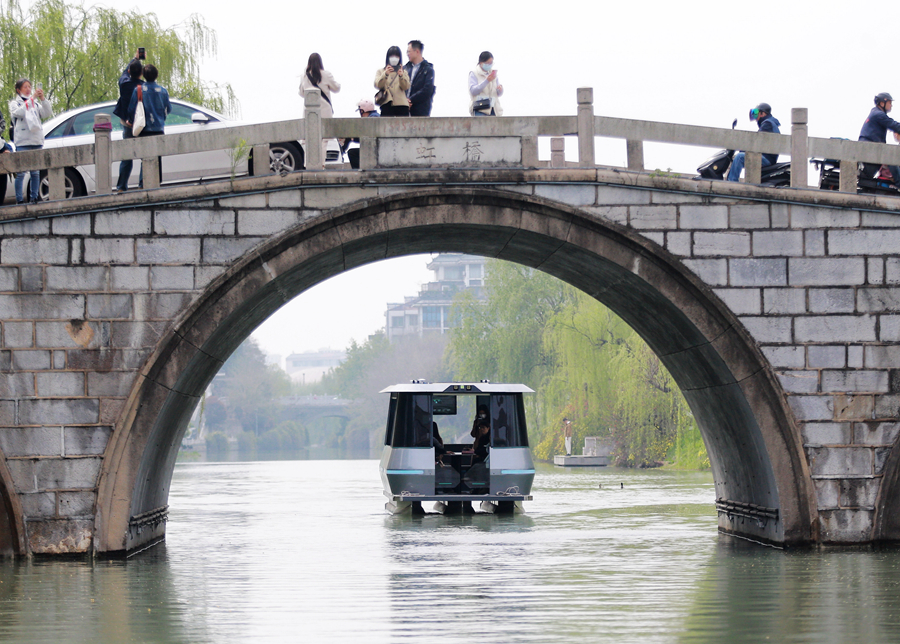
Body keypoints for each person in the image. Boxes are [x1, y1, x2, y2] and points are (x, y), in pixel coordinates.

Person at [8, 78, 53, 204]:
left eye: (30, 87)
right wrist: (32, 98)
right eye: (25, 87)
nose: (28, 89)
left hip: (36, 139)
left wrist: (43, 99)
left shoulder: (36, 104)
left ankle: (34, 197)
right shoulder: (14, 104)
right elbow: (19, 113)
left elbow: (47, 113)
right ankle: (19, 199)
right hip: (22, 141)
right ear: (18, 90)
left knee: (35, 172)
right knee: (21, 172)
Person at [127, 64, 170, 188]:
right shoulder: (163, 91)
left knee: (145, 157)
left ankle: (143, 183)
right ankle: (157, 182)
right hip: (158, 128)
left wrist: (131, 121)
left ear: (144, 76)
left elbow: (131, 109)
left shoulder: (139, 90)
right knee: (157, 156)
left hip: (144, 128)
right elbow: (169, 108)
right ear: (156, 75)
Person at [726, 103, 780, 182]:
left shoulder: (767, 124)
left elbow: (757, 142)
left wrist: (743, 149)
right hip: (767, 156)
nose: (755, 117)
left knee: (740, 157)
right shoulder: (769, 123)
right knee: (740, 156)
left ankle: (731, 182)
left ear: (763, 113)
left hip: (766, 158)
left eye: (756, 113)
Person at [113, 55, 144, 192]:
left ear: (130, 72)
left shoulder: (124, 84)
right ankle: (143, 184)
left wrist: (134, 58)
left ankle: (121, 187)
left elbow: (124, 73)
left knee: (127, 156)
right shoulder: (144, 87)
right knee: (146, 154)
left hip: (127, 124)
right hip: (141, 125)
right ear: (141, 73)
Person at [859, 92, 900, 185]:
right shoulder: (878, 114)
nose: (891, 105)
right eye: (889, 102)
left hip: (870, 146)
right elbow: (893, 125)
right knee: (890, 157)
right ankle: (899, 183)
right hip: (870, 146)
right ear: (882, 103)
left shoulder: (875, 113)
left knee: (869, 173)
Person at [299, 53, 341, 119]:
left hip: (309, 114)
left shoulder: (304, 77)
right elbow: (336, 88)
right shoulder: (326, 75)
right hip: (325, 113)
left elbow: (301, 93)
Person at [375, 46, 410, 116]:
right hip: (386, 104)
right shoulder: (380, 71)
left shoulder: (404, 72)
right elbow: (378, 85)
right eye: (392, 56)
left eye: (396, 56)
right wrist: (385, 74)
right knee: (386, 125)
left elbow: (406, 87)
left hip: (401, 104)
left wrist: (401, 76)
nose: (394, 58)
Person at [345, 99, 380, 170]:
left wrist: (353, 138)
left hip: (375, 150)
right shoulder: (375, 116)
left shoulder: (371, 119)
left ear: (363, 110)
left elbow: (367, 136)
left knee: (352, 153)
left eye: (361, 112)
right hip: (376, 148)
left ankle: (360, 172)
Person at [404, 40, 435, 117]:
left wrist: (410, 100)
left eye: (409, 51)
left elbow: (427, 90)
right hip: (404, 110)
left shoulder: (428, 70)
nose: (407, 54)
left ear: (417, 51)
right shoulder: (405, 69)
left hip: (420, 111)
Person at [468, 51, 503, 117]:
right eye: (488, 63)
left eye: (491, 63)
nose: (490, 65)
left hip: (494, 109)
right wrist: (486, 81)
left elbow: (499, 93)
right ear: (481, 63)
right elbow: (473, 91)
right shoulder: (474, 73)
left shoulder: (493, 74)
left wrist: (500, 89)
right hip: (480, 108)